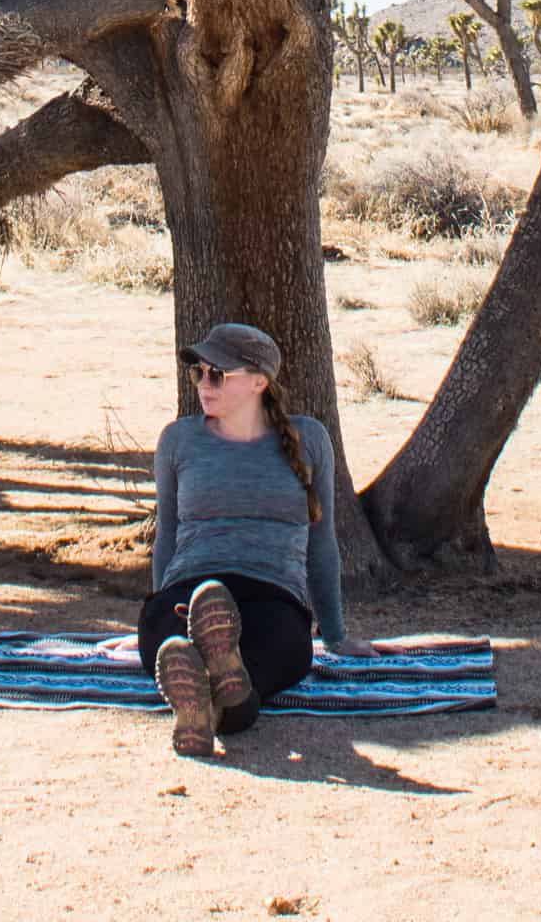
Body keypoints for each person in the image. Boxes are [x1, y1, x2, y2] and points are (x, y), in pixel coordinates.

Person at [140, 321, 372, 757]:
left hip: (272, 593)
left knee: (284, 644)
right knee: (168, 634)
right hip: (189, 589)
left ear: (259, 382)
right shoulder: (179, 440)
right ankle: (223, 702)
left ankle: (207, 703)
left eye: (217, 374)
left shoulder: (309, 440)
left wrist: (336, 634)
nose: (203, 384)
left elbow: (321, 542)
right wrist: (156, 599)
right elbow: (167, 534)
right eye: (199, 372)